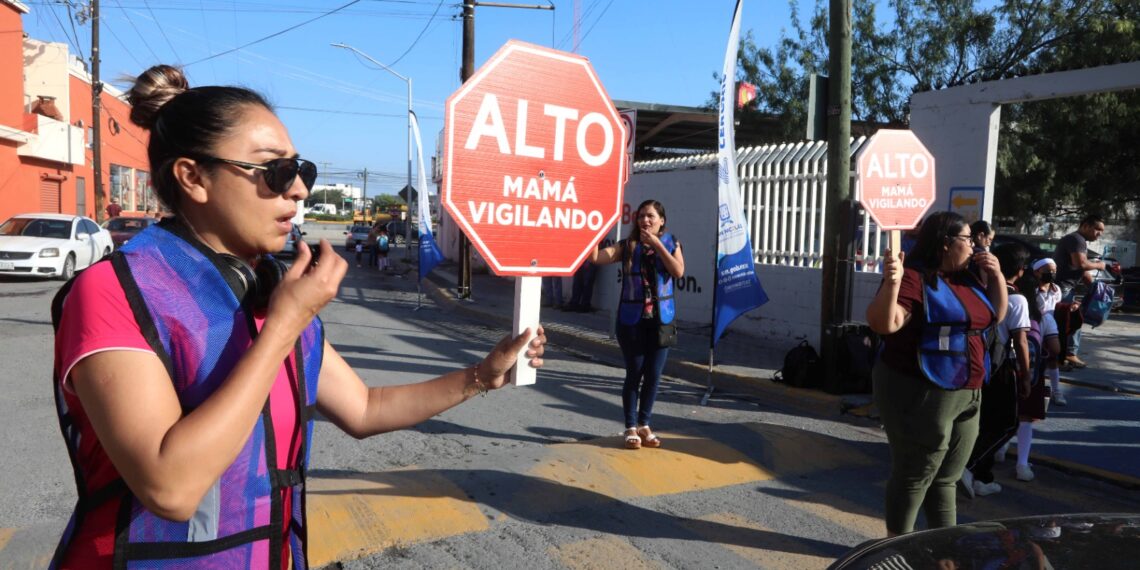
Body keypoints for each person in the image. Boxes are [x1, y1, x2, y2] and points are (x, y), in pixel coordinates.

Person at [49, 64, 547, 569]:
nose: (300, 191)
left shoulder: (273, 291)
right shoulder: (112, 293)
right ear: (193, 177)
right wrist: (284, 325)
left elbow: (364, 408)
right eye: (275, 172)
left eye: (300, 170)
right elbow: (170, 488)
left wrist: (481, 377)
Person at [866, 211, 1007, 536]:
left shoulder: (967, 277)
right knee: (915, 473)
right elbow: (884, 323)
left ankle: (944, 550)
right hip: (923, 389)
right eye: (968, 239)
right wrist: (891, 283)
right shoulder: (913, 278)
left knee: (947, 478)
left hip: (968, 391)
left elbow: (995, 317)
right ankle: (897, 545)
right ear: (945, 243)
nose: (974, 246)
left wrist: (997, 276)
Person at [589, 200, 684, 450]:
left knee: (654, 375)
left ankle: (645, 424)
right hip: (632, 321)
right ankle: (631, 427)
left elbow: (678, 271)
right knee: (635, 374)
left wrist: (657, 246)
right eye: (641, 216)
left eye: (651, 216)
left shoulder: (671, 243)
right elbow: (597, 258)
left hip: (661, 321)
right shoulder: (628, 246)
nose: (645, 220)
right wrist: (593, 233)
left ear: (662, 220)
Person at [960, 243, 1032, 499]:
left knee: (984, 421)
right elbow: (1021, 341)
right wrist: (1026, 375)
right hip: (1002, 366)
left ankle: (982, 477)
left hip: (980, 364)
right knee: (1007, 424)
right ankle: (967, 466)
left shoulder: (982, 291)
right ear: (1021, 271)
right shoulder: (1017, 299)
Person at [1052, 214, 1106, 369]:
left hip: (1067, 288)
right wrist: (1099, 265)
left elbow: (1079, 269)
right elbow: (1081, 263)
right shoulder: (1076, 239)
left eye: (1101, 231)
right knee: (1063, 324)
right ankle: (1058, 358)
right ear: (1086, 226)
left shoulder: (1078, 241)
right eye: (1097, 229)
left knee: (1074, 321)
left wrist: (1094, 287)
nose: (1099, 233)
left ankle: (1069, 353)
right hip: (1062, 289)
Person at [1032, 258, 1067, 405]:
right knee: (1035, 356)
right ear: (1037, 272)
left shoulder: (1056, 289)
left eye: (1054, 271)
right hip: (1035, 322)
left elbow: (1057, 306)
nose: (1051, 274)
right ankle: (1034, 388)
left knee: (1054, 352)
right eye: (1048, 271)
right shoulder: (1032, 288)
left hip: (1050, 321)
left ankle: (1056, 391)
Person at [564, 245, 599, 312]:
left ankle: (584, 305)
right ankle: (575, 303)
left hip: (589, 258)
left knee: (587, 283)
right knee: (577, 282)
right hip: (581, 257)